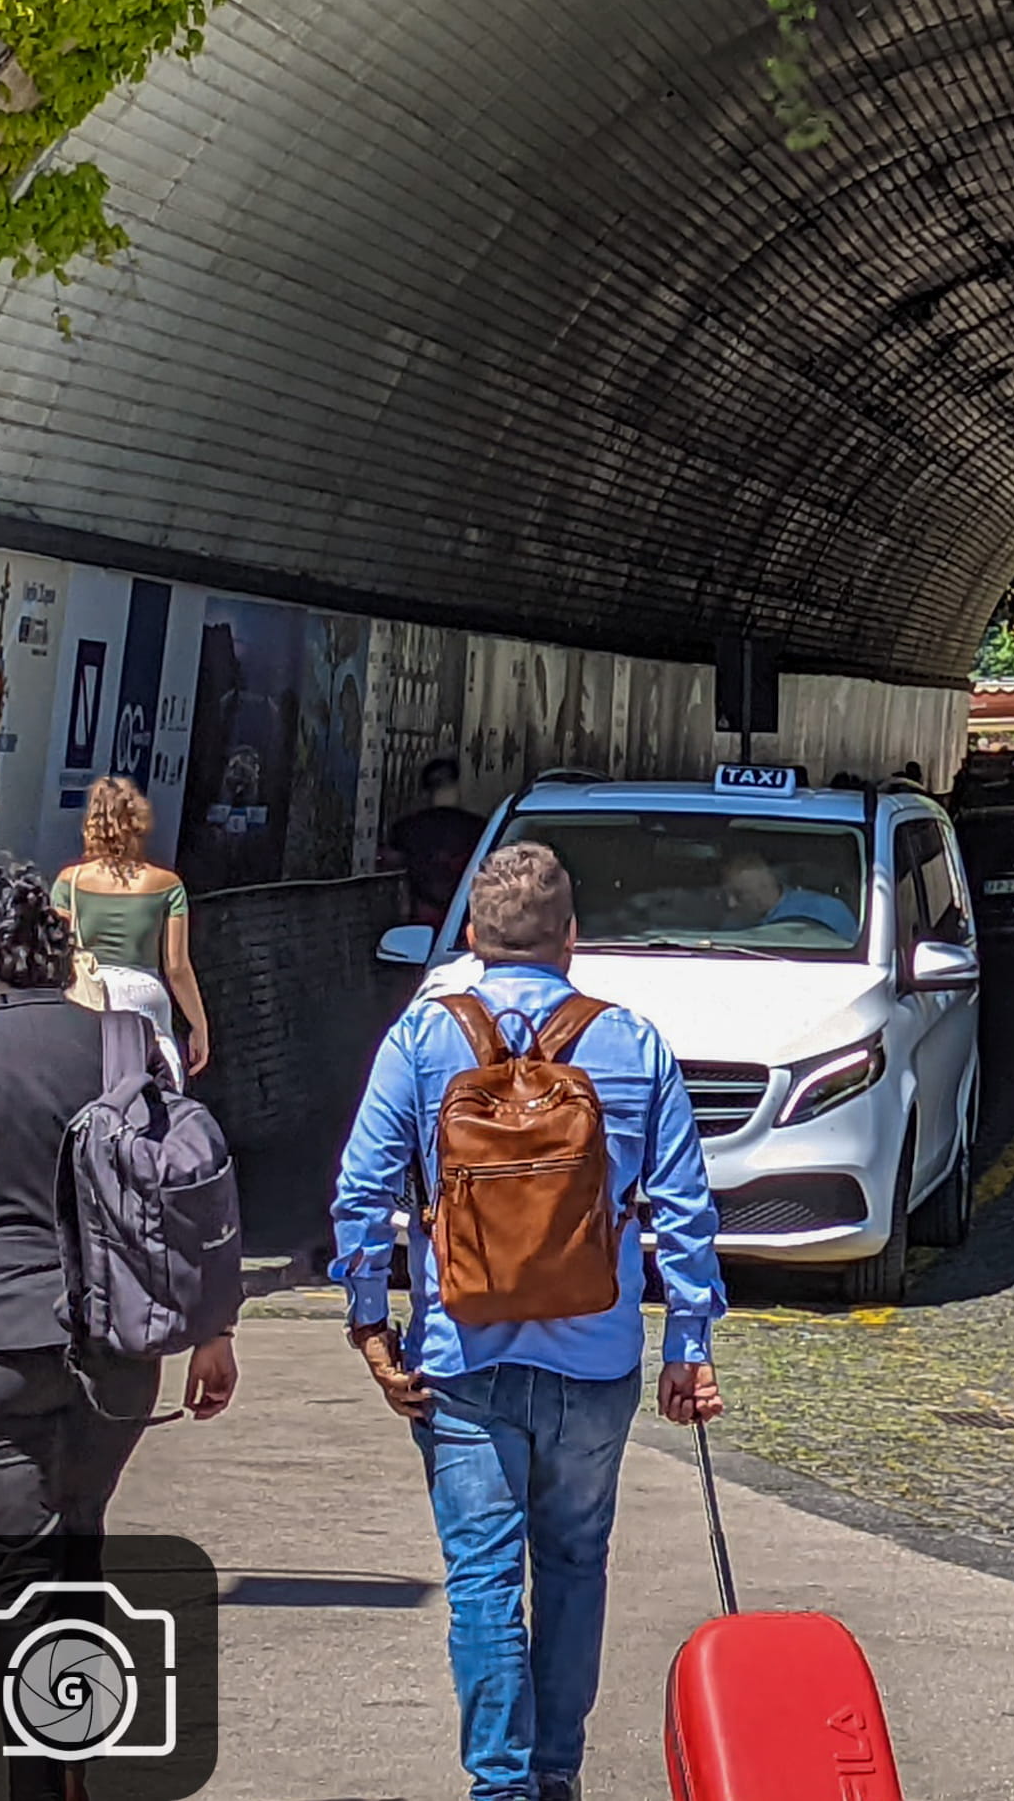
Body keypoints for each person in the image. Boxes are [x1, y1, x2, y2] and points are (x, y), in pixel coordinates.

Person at [334, 841, 727, 1801]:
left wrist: (369, 1325)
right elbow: (682, 1207)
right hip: (594, 1360)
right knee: (576, 1565)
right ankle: (556, 1773)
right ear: (570, 938)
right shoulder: (632, 1043)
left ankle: (500, 1786)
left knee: (481, 1581)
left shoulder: (422, 1040)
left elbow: (362, 1192)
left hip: (460, 1356)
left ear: (471, 935)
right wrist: (688, 1345)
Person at [0, 861, 243, 1801]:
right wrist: (211, 1329)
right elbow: (185, 1191)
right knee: (79, 1543)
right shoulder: (127, 1045)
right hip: (116, 1345)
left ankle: (41, 1779)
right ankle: (69, 1756)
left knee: (19, 1569)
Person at [51, 774, 212, 1076]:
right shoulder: (167, 884)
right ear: (138, 821)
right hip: (144, 993)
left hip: (87, 993)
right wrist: (199, 1025)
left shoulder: (67, 882)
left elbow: (58, 952)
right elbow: (176, 968)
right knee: (160, 1079)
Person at [386, 756, 487, 930]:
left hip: (421, 920)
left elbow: (393, 866)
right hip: (468, 918)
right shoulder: (479, 828)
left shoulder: (406, 828)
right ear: (457, 786)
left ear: (425, 791)